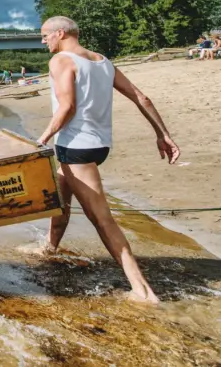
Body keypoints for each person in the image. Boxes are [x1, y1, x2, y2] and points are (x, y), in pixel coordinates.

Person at [36, 16, 181, 304]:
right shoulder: (103, 61)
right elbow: (142, 97)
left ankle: (141, 289)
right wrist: (163, 134)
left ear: (60, 33)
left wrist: (41, 140)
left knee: (102, 220)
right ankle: (49, 249)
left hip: (75, 149)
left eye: (44, 36)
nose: (43, 41)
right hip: (99, 147)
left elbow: (67, 106)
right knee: (61, 200)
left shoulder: (61, 61)